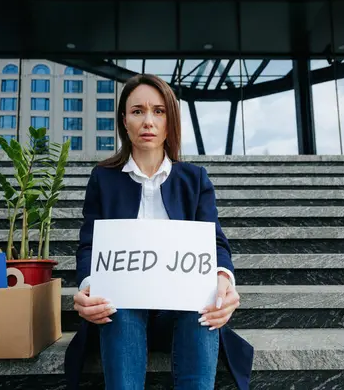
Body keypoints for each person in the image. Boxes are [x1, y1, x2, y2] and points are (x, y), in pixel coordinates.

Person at [64, 74, 254, 390]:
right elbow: (89, 246)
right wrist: (88, 286)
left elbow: (215, 242)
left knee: (201, 298)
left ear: (170, 121)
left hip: (180, 316)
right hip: (119, 316)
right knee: (118, 301)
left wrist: (223, 280)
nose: (148, 121)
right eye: (137, 111)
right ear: (124, 121)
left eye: (158, 111)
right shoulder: (103, 179)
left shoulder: (195, 180)